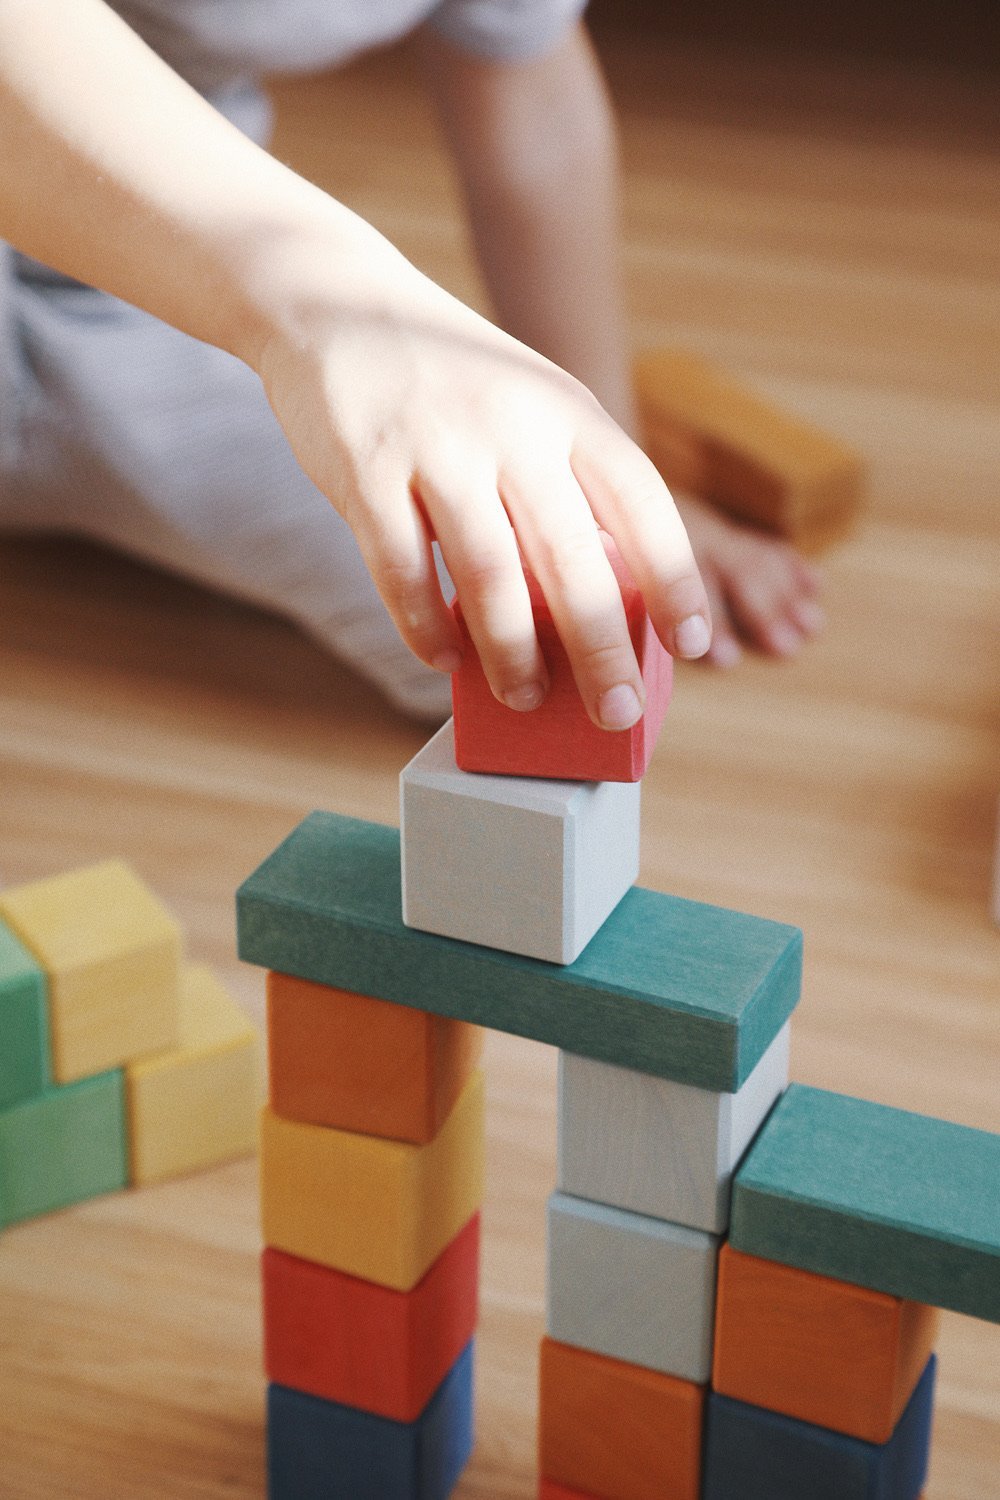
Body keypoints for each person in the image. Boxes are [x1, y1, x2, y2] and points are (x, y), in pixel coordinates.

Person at [0, 0, 822, 724]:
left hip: (163, 291)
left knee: (534, 638)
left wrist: (609, 471)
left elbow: (528, 94)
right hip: (131, 262)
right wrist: (327, 302)